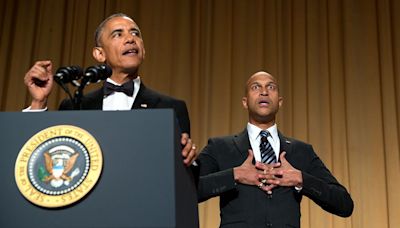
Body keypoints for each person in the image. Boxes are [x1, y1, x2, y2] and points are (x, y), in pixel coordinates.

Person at [23, 13, 197, 166]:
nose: (130, 39)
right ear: (100, 54)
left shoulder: (171, 107)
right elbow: (43, 158)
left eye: (135, 33)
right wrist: (39, 101)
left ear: (143, 50)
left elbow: (183, 174)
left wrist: (189, 160)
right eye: (118, 34)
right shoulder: (75, 106)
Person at [196, 71, 354, 227]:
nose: (264, 92)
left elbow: (344, 204)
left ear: (279, 102)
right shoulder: (220, 147)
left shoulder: (301, 151)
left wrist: (301, 179)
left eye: (271, 87)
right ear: (245, 102)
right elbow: (187, 192)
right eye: (256, 87)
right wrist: (234, 175)